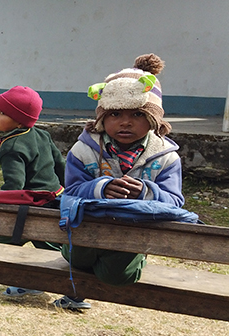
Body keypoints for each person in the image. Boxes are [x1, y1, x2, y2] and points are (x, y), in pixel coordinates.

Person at [58, 53, 183, 310]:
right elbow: (70, 192)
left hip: (131, 237)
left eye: (137, 114)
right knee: (79, 261)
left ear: (153, 120)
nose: (125, 122)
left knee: (117, 277)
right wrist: (100, 188)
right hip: (85, 232)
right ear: (102, 119)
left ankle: (133, 260)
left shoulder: (165, 157)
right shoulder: (83, 151)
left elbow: (175, 201)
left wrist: (146, 192)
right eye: (115, 113)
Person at [0, 86, 65, 295]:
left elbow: (14, 185)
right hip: (57, 197)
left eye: (2, 113)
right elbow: (60, 165)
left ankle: (57, 286)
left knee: (1, 236)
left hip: (37, 203)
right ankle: (35, 281)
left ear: (20, 122)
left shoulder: (12, 146)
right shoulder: (42, 135)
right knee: (51, 245)